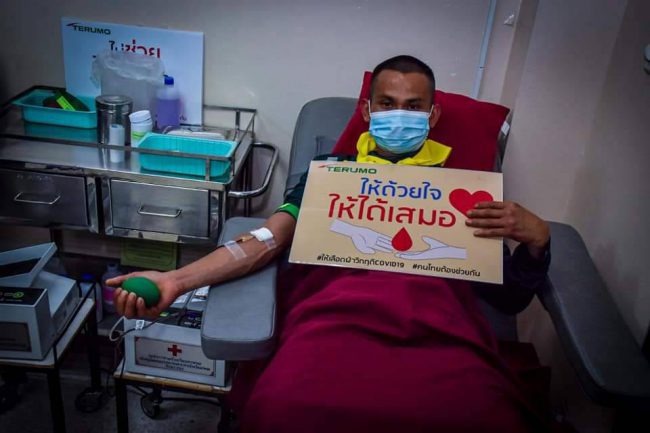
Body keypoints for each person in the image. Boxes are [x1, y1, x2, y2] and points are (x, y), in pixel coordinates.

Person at [110, 55, 551, 432]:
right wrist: (176, 281)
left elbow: (508, 298)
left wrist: (537, 242)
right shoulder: (330, 175)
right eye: (387, 104)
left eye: (414, 106)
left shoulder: (462, 191)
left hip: (442, 335)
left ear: (433, 116)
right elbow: (266, 239)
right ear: (367, 110)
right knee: (281, 407)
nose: (400, 115)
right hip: (334, 323)